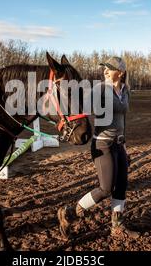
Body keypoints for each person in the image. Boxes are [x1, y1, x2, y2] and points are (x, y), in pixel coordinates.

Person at [57, 56, 139, 239]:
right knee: (105, 188)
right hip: (102, 144)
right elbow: (80, 104)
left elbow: (122, 121)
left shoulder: (126, 91)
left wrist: (125, 146)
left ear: (121, 72)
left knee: (121, 187)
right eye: (105, 68)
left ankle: (117, 227)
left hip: (119, 145)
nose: (105, 70)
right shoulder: (99, 89)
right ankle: (69, 213)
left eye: (110, 68)